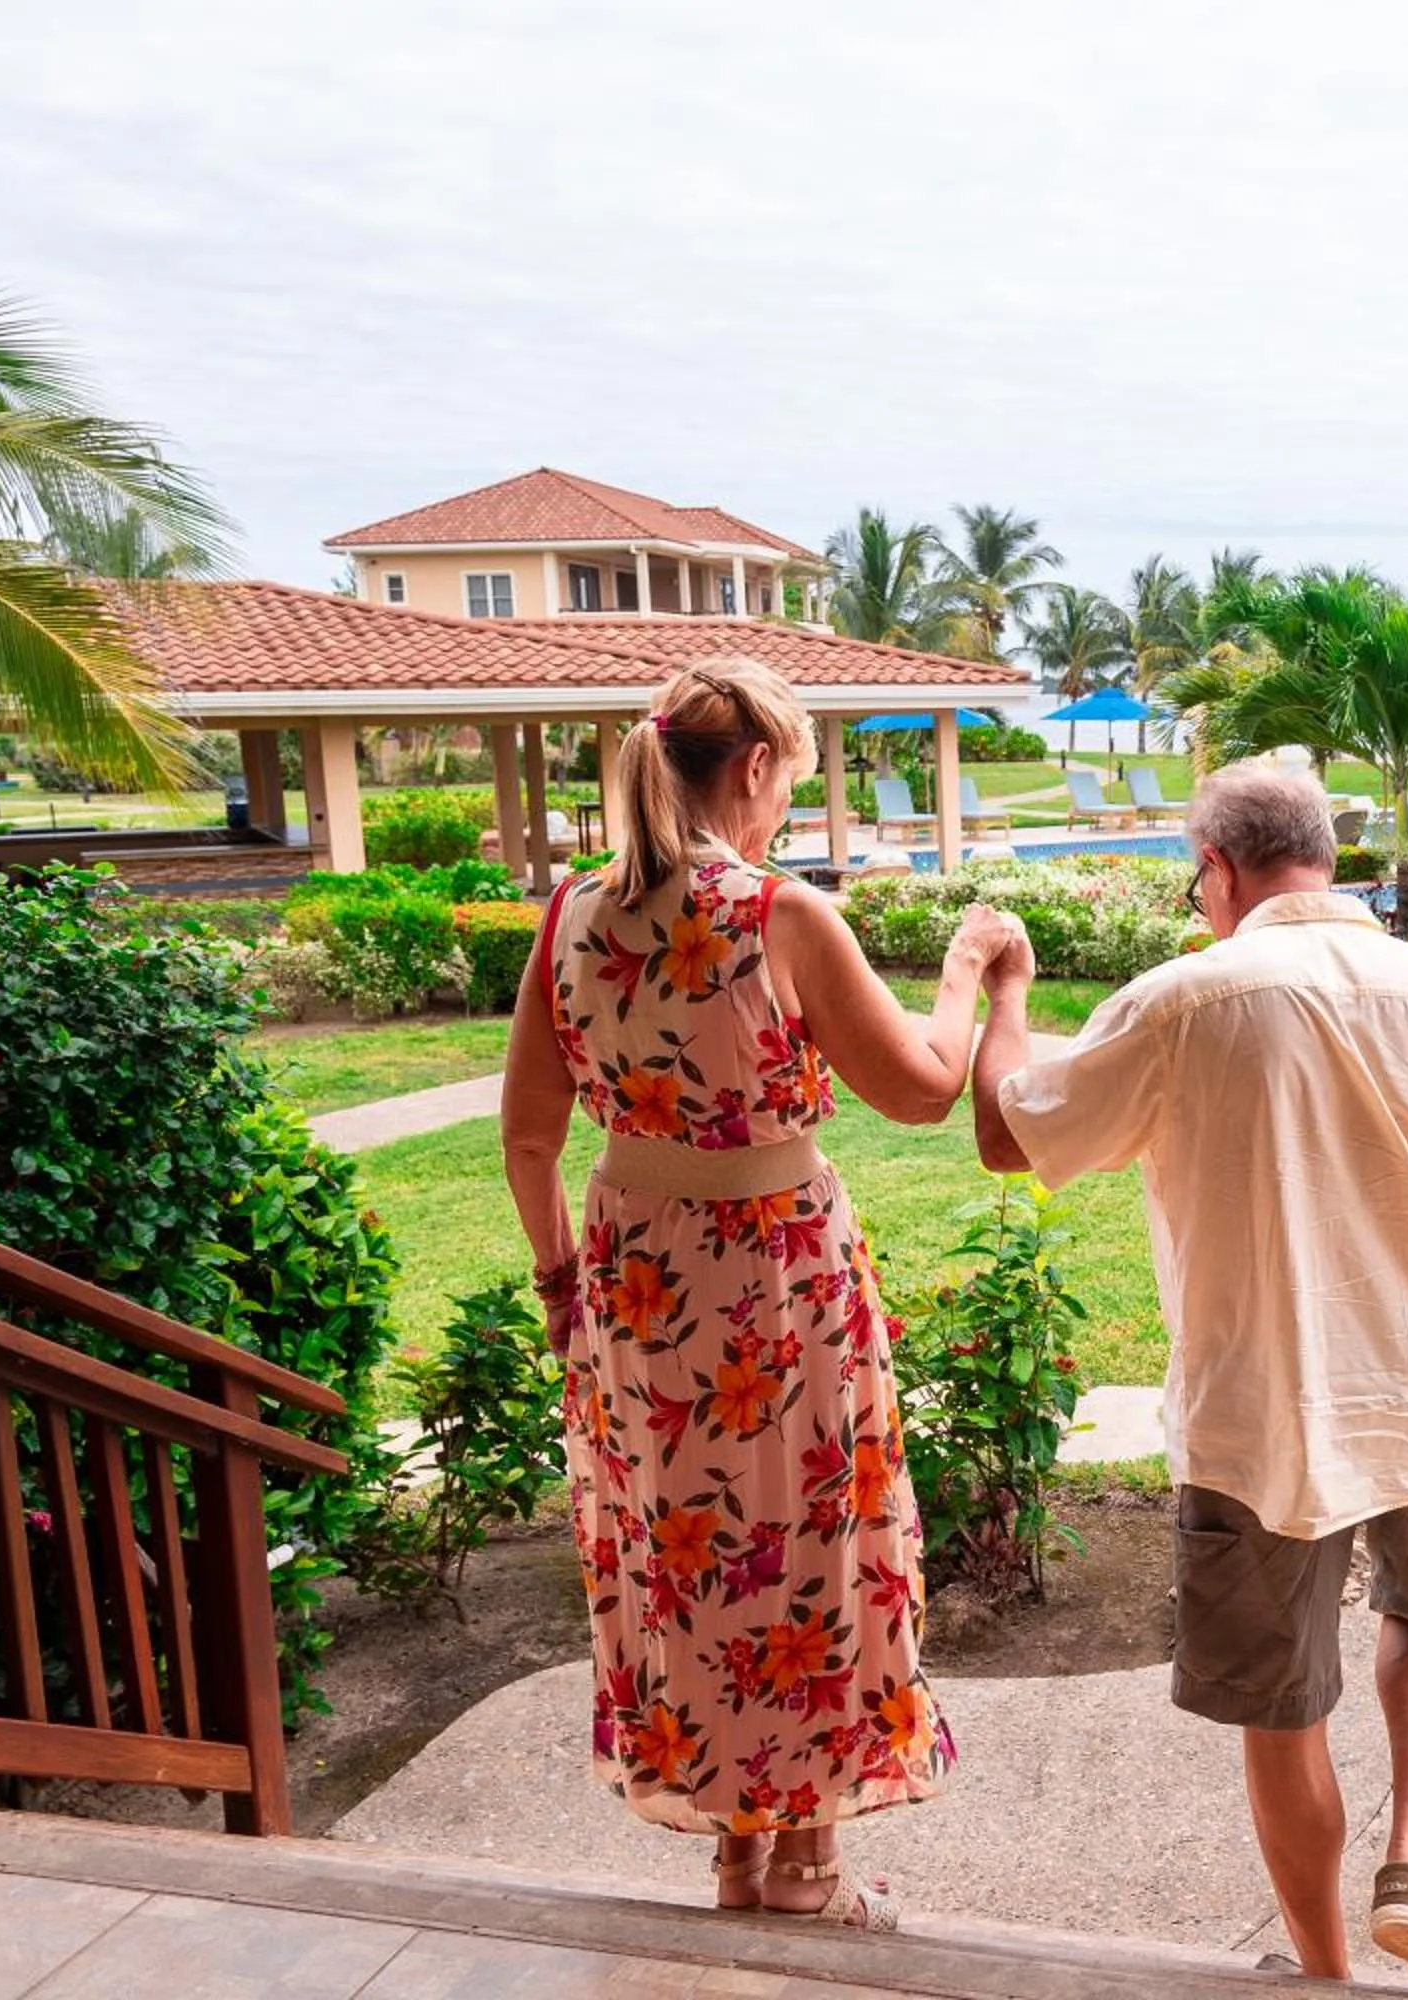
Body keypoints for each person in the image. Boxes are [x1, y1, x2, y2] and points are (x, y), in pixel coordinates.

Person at [968, 762, 1408, 1981]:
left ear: (1218, 868)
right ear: (1325, 854)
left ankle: (1324, 1970)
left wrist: (1010, 992)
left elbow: (1004, 1132)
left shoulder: (1180, 999)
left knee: (1282, 1704)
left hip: (1258, 1418)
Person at [501, 659, 1025, 1931]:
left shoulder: (572, 911)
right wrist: (973, 966)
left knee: (691, 1558)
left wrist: (563, 1283)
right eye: (788, 774)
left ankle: (739, 1856)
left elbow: (527, 1136)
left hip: (636, 1286)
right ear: (751, 767)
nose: (786, 798)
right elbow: (923, 1088)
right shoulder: (781, 913)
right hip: (777, 1285)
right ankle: (807, 1866)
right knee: (807, 1547)